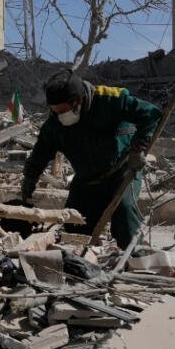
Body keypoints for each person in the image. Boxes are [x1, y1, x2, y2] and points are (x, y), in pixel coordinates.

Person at [20, 68, 161, 249]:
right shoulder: (54, 124)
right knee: (73, 228)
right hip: (86, 180)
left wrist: (137, 150)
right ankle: (78, 266)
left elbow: (150, 113)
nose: (60, 116)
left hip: (121, 170)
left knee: (124, 217)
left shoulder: (109, 100)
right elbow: (41, 151)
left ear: (78, 100)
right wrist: (30, 178)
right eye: (55, 111)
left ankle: (134, 262)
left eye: (63, 111)